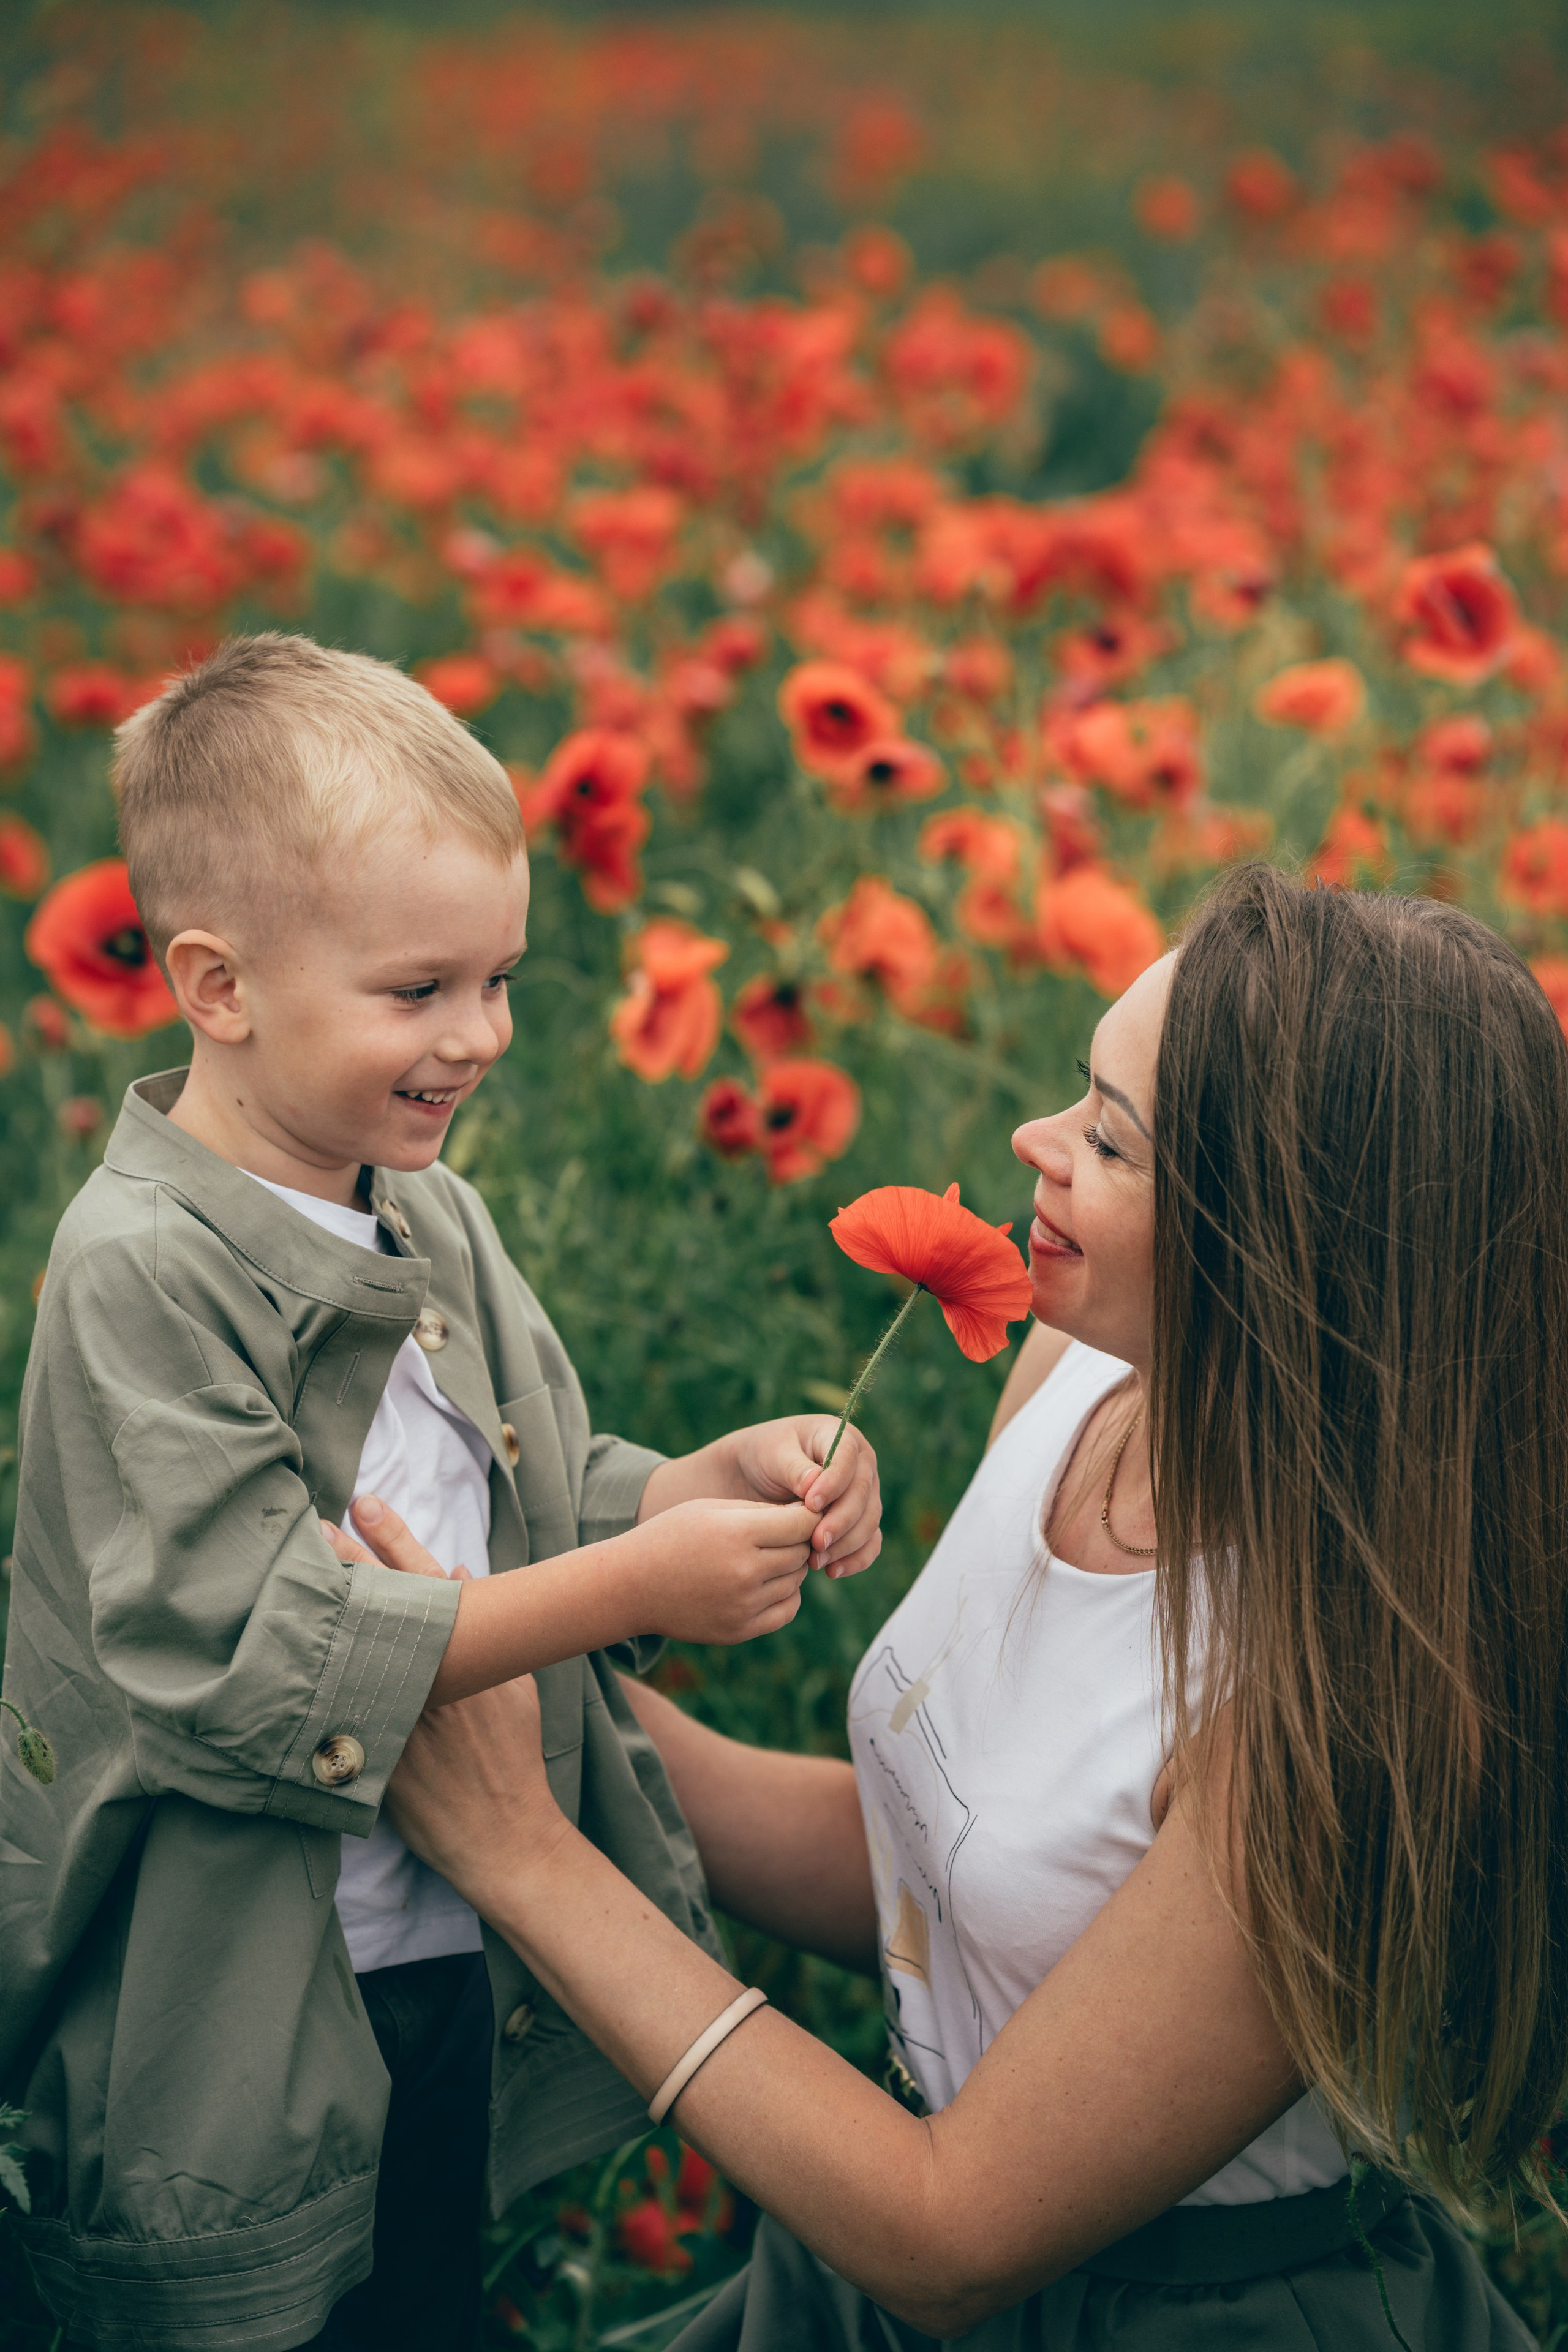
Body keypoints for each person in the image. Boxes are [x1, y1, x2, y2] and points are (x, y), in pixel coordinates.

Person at [366, 866, 1561, 2348]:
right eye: (1081, 1090)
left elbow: (949, 2231)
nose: (1030, 1142)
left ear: (1281, 1253)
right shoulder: (1075, 1382)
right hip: (857, 2260)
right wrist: (495, 1678)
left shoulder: (1333, 1703)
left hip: (1149, 2309)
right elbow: (937, 1861)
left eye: (1108, 1140)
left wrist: (523, 1851)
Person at [0, 634, 882, 2352]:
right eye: (418, 992)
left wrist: (686, 1494)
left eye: (502, 981)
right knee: (268, 2310)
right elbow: (256, 1653)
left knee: (418, 2291)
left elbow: (525, 1501)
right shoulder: (140, 1270)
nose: (475, 1037)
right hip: (237, 1989)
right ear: (215, 985)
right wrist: (638, 1593)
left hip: (434, 1937)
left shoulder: (425, 1210)